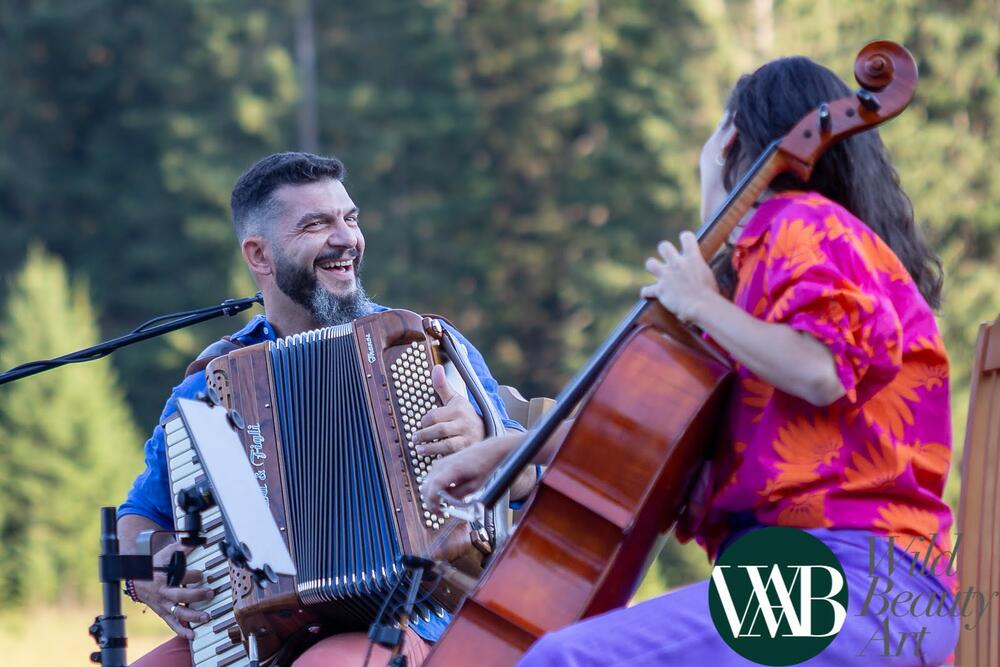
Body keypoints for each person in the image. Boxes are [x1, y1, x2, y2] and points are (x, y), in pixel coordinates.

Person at [423, 56, 960, 665]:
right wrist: (507, 450)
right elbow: (651, 439)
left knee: (562, 661)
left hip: (843, 584)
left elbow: (821, 371)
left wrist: (701, 302)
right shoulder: (769, 281)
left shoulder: (795, 223)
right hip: (843, 590)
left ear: (732, 141)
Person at [118, 152, 531, 666]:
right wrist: (145, 571)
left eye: (350, 218)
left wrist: (486, 446)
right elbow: (135, 520)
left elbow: (532, 482)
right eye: (317, 224)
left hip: (416, 614)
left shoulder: (425, 345)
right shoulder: (209, 386)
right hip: (254, 631)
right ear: (259, 255)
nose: (346, 239)